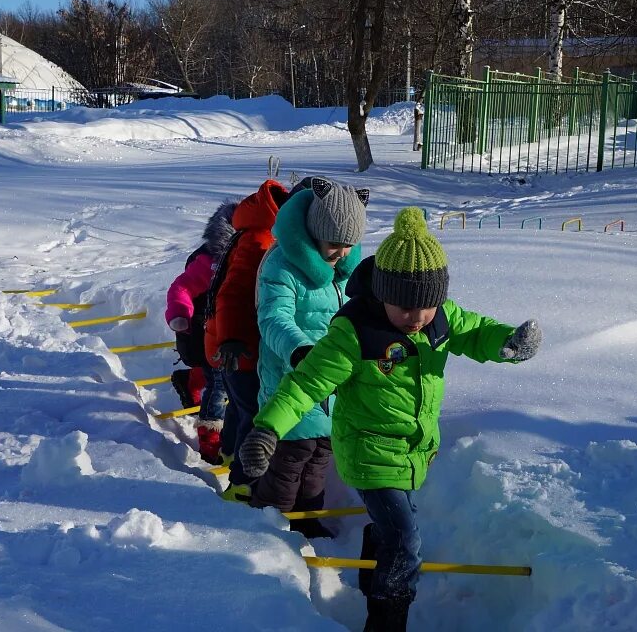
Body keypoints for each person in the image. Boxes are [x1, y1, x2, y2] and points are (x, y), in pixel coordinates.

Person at [238, 207, 542, 632]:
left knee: (393, 528)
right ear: (382, 293)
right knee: (404, 540)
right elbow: (306, 384)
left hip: (411, 451)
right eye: (405, 306)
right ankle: (386, 619)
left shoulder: (440, 318)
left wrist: (506, 343)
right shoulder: (354, 333)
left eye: (427, 306)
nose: (417, 317)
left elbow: (476, 332)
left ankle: (370, 571)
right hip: (366, 451)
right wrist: (267, 428)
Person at [251, 177, 369, 537]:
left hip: (331, 387)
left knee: (320, 456)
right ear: (314, 232)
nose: (342, 253)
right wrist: (300, 351)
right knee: (290, 460)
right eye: (335, 244)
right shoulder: (282, 265)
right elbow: (273, 317)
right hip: (293, 378)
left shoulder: (341, 273)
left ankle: (308, 519)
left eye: (349, 245)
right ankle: (270, 524)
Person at [204, 178, 290, 498]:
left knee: (240, 408)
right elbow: (233, 294)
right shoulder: (259, 239)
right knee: (253, 413)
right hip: (241, 346)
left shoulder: (262, 233)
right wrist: (233, 339)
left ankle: (227, 454)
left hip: (237, 343)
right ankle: (243, 483)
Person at [166, 200, 238, 464]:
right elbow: (181, 288)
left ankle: (190, 382)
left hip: (235, 332)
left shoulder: (255, 258)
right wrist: (179, 314)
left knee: (218, 378)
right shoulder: (211, 263)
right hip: (207, 332)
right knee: (219, 386)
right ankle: (210, 439)